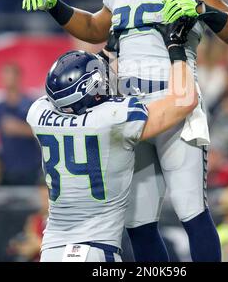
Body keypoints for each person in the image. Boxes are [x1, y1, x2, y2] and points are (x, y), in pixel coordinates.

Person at [23, 0, 228, 262]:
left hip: (176, 100)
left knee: (190, 206)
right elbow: (95, 29)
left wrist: (203, 11)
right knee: (140, 221)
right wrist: (58, 7)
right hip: (131, 108)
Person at [26, 18, 198, 262]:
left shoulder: (38, 115)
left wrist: (105, 55)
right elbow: (185, 100)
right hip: (96, 249)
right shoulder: (114, 119)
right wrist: (177, 49)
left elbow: (72, 97)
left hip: (51, 249)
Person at [0, 63, 41, 185]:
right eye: (4, 76)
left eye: (10, 75)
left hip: (30, 167)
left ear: (18, 77)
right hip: (6, 167)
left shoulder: (32, 105)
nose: (7, 80)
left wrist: (19, 128)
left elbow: (42, 132)